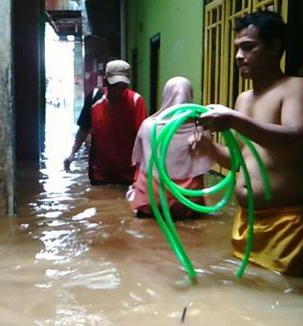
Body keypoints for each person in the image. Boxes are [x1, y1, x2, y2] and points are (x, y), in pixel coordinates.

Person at [189, 11, 303, 276]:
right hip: (248, 222)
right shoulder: (243, 99)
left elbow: (296, 139)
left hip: (287, 225)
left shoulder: (294, 88)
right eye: (237, 48)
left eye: (248, 47)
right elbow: (243, 160)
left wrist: (236, 121)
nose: (239, 56)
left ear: (275, 47)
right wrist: (209, 149)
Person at [127, 77, 212, 219]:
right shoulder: (201, 128)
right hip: (189, 202)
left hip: (152, 201)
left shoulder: (149, 126)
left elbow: (139, 161)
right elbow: (205, 163)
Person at [64, 59, 147, 185]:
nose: (119, 91)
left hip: (128, 175)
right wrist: (72, 153)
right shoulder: (94, 98)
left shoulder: (136, 102)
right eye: (115, 86)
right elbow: (83, 129)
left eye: (123, 86)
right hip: (99, 173)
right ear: (105, 80)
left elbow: (143, 139)